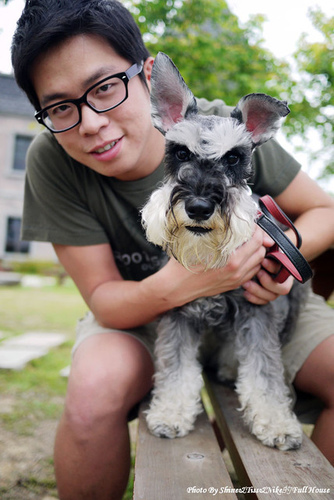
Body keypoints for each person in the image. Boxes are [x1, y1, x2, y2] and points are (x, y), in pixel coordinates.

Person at [11, 0, 334, 498]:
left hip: (262, 301)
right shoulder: (51, 158)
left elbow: (326, 212)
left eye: (104, 88)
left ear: (148, 80)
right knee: (93, 387)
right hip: (140, 311)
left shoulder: (229, 129)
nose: (92, 123)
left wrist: (281, 256)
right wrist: (188, 281)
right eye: (60, 106)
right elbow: (103, 297)